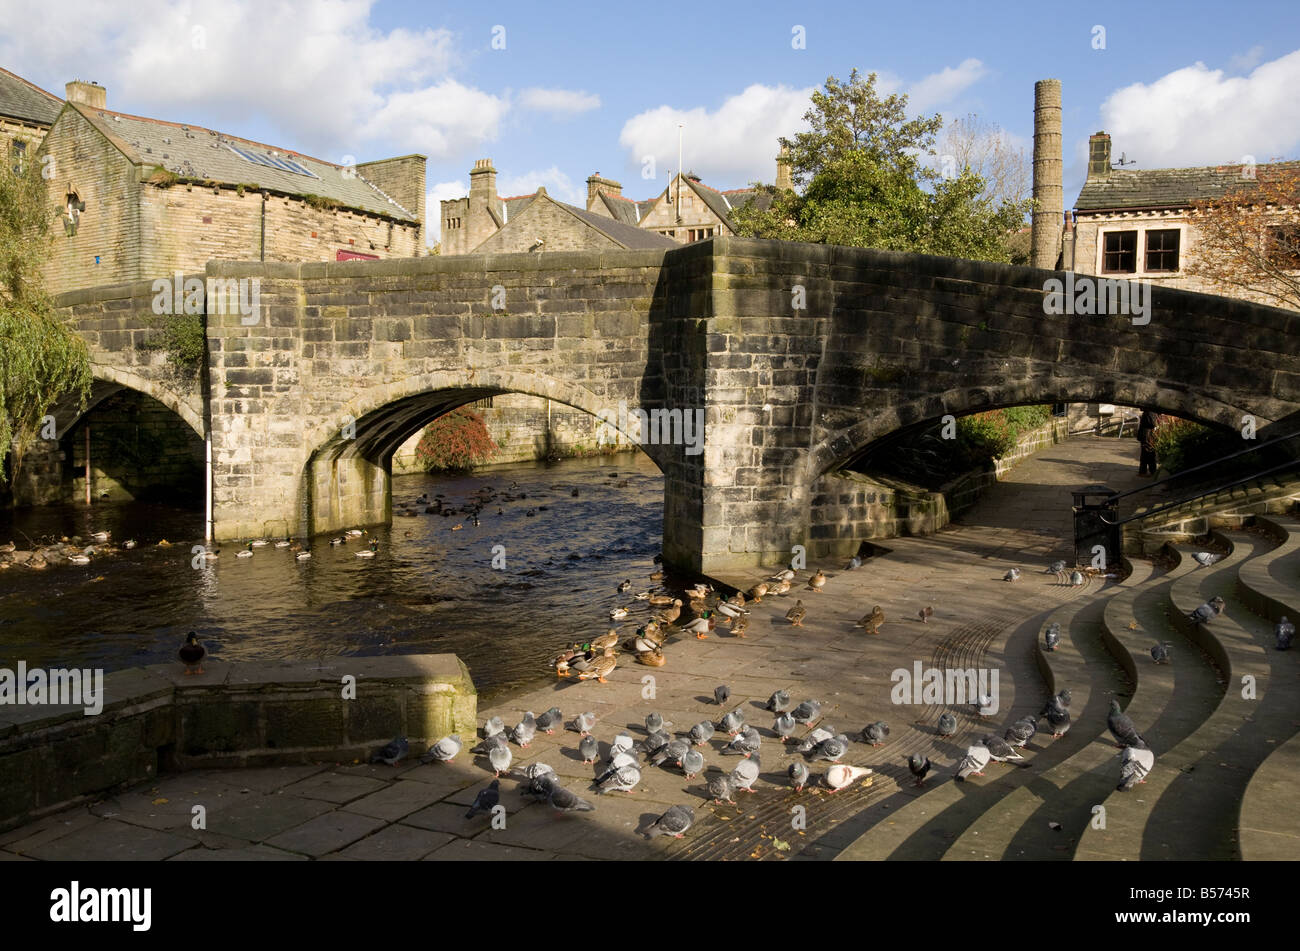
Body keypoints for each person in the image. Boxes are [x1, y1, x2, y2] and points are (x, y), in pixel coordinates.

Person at [1136, 409, 1160, 476]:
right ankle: (1144, 471)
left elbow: (1152, 423)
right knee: (1146, 454)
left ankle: (1151, 471)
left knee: (1149, 453)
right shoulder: (1148, 411)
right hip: (1147, 435)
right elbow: (1153, 423)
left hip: (1148, 435)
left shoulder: (1150, 411)